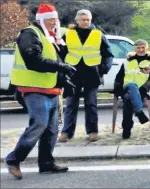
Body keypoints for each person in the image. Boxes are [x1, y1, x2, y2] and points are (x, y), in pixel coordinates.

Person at [5, 3, 76, 179]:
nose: (54, 22)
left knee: (51, 129)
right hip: (34, 88)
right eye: (51, 20)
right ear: (42, 20)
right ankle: (13, 159)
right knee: (39, 124)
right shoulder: (30, 33)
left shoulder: (51, 36)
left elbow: (54, 59)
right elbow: (33, 60)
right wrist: (61, 66)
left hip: (51, 88)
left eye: (56, 19)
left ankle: (46, 163)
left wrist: (63, 77)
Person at [58, 9, 113, 142]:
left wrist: (103, 69)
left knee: (91, 104)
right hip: (73, 74)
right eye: (83, 19)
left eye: (88, 19)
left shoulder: (98, 34)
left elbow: (108, 54)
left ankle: (92, 131)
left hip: (92, 74)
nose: (86, 22)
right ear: (77, 20)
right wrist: (62, 69)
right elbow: (60, 53)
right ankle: (67, 132)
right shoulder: (68, 34)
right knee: (71, 104)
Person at [114, 39, 150, 139]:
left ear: (147, 48)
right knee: (132, 86)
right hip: (127, 87)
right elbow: (119, 78)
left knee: (128, 98)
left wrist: (145, 87)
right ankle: (138, 112)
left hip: (141, 90)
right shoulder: (127, 61)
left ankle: (127, 128)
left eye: (143, 47)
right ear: (135, 49)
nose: (141, 50)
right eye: (138, 48)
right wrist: (118, 88)